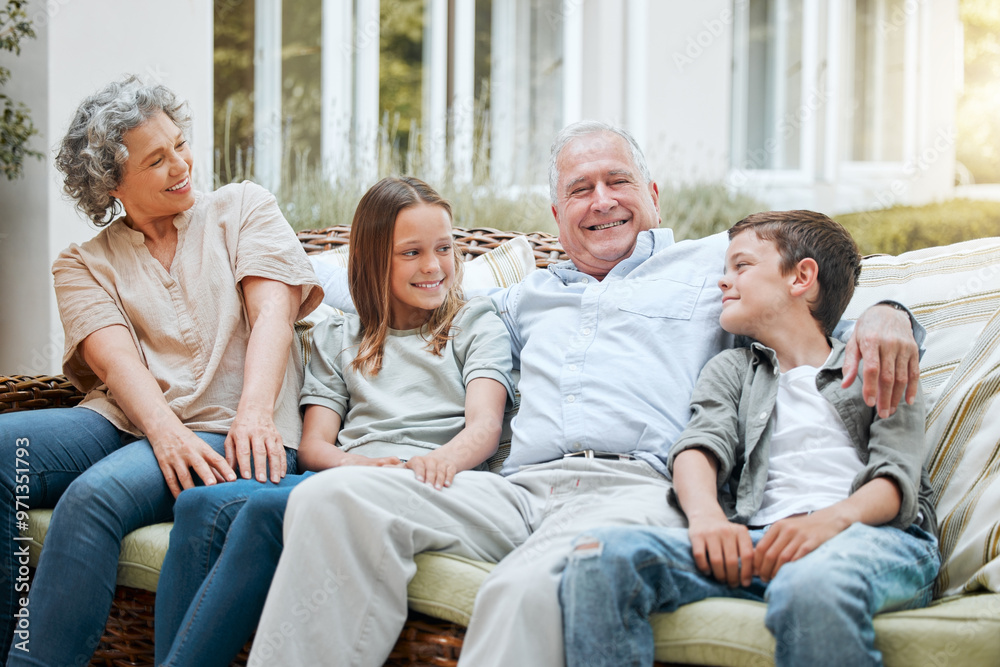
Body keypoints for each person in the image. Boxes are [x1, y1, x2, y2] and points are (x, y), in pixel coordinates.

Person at [248, 121, 925, 667]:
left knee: (522, 590)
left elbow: (813, 298)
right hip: (514, 489)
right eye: (580, 189)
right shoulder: (522, 293)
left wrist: (892, 313)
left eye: (618, 181)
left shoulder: (707, 266)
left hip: (634, 490)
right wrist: (256, 258)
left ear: (653, 194)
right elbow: (365, 275)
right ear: (556, 213)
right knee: (330, 498)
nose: (601, 200)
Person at [0, 76, 322, 664]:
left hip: (230, 427)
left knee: (93, 497)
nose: (182, 164)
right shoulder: (83, 263)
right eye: (157, 160)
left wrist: (253, 412)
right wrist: (166, 433)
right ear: (112, 183)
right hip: (131, 420)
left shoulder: (243, 206)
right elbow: (115, 363)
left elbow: (273, 311)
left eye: (179, 144)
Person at [154, 176, 515, 666]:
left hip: (430, 482)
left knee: (263, 515)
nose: (433, 266)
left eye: (444, 248)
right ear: (370, 261)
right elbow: (314, 448)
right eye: (411, 253)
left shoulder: (476, 324)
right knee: (199, 505)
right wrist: (362, 467)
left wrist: (433, 464)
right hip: (346, 476)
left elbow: (484, 428)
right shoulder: (340, 337)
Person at [559, 210, 940, 666]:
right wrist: (706, 519)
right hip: (759, 544)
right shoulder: (732, 370)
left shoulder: (879, 364)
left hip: (872, 539)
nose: (724, 281)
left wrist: (828, 523)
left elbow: (897, 478)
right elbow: (700, 446)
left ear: (802, 277)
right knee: (599, 558)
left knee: (811, 586)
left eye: (741, 266)